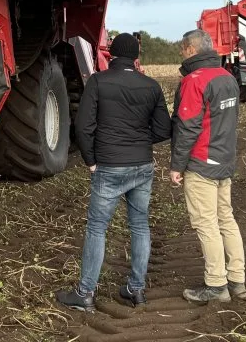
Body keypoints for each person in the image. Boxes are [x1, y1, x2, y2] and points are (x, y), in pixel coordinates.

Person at [56, 33, 171, 313]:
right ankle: (136, 289)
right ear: (135, 56)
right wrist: (140, 143)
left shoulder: (98, 81)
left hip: (108, 165)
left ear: (113, 54)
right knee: (140, 225)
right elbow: (164, 130)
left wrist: (91, 160)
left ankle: (85, 294)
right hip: (142, 165)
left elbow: (83, 127)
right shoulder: (151, 86)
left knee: (97, 228)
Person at [170, 30, 246, 303]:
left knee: (206, 224)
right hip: (224, 159)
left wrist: (176, 165)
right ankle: (237, 279)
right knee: (226, 218)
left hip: (201, 162)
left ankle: (216, 285)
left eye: (182, 49)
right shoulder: (227, 77)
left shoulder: (194, 80)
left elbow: (188, 127)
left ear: (191, 49)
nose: (181, 54)